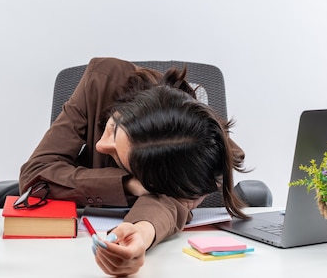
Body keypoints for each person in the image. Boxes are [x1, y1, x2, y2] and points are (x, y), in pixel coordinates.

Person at [19, 57, 249, 276]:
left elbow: (172, 202)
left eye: (119, 158)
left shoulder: (199, 162)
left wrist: (141, 232)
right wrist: (128, 183)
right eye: (112, 128)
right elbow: (35, 174)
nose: (100, 145)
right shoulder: (102, 80)